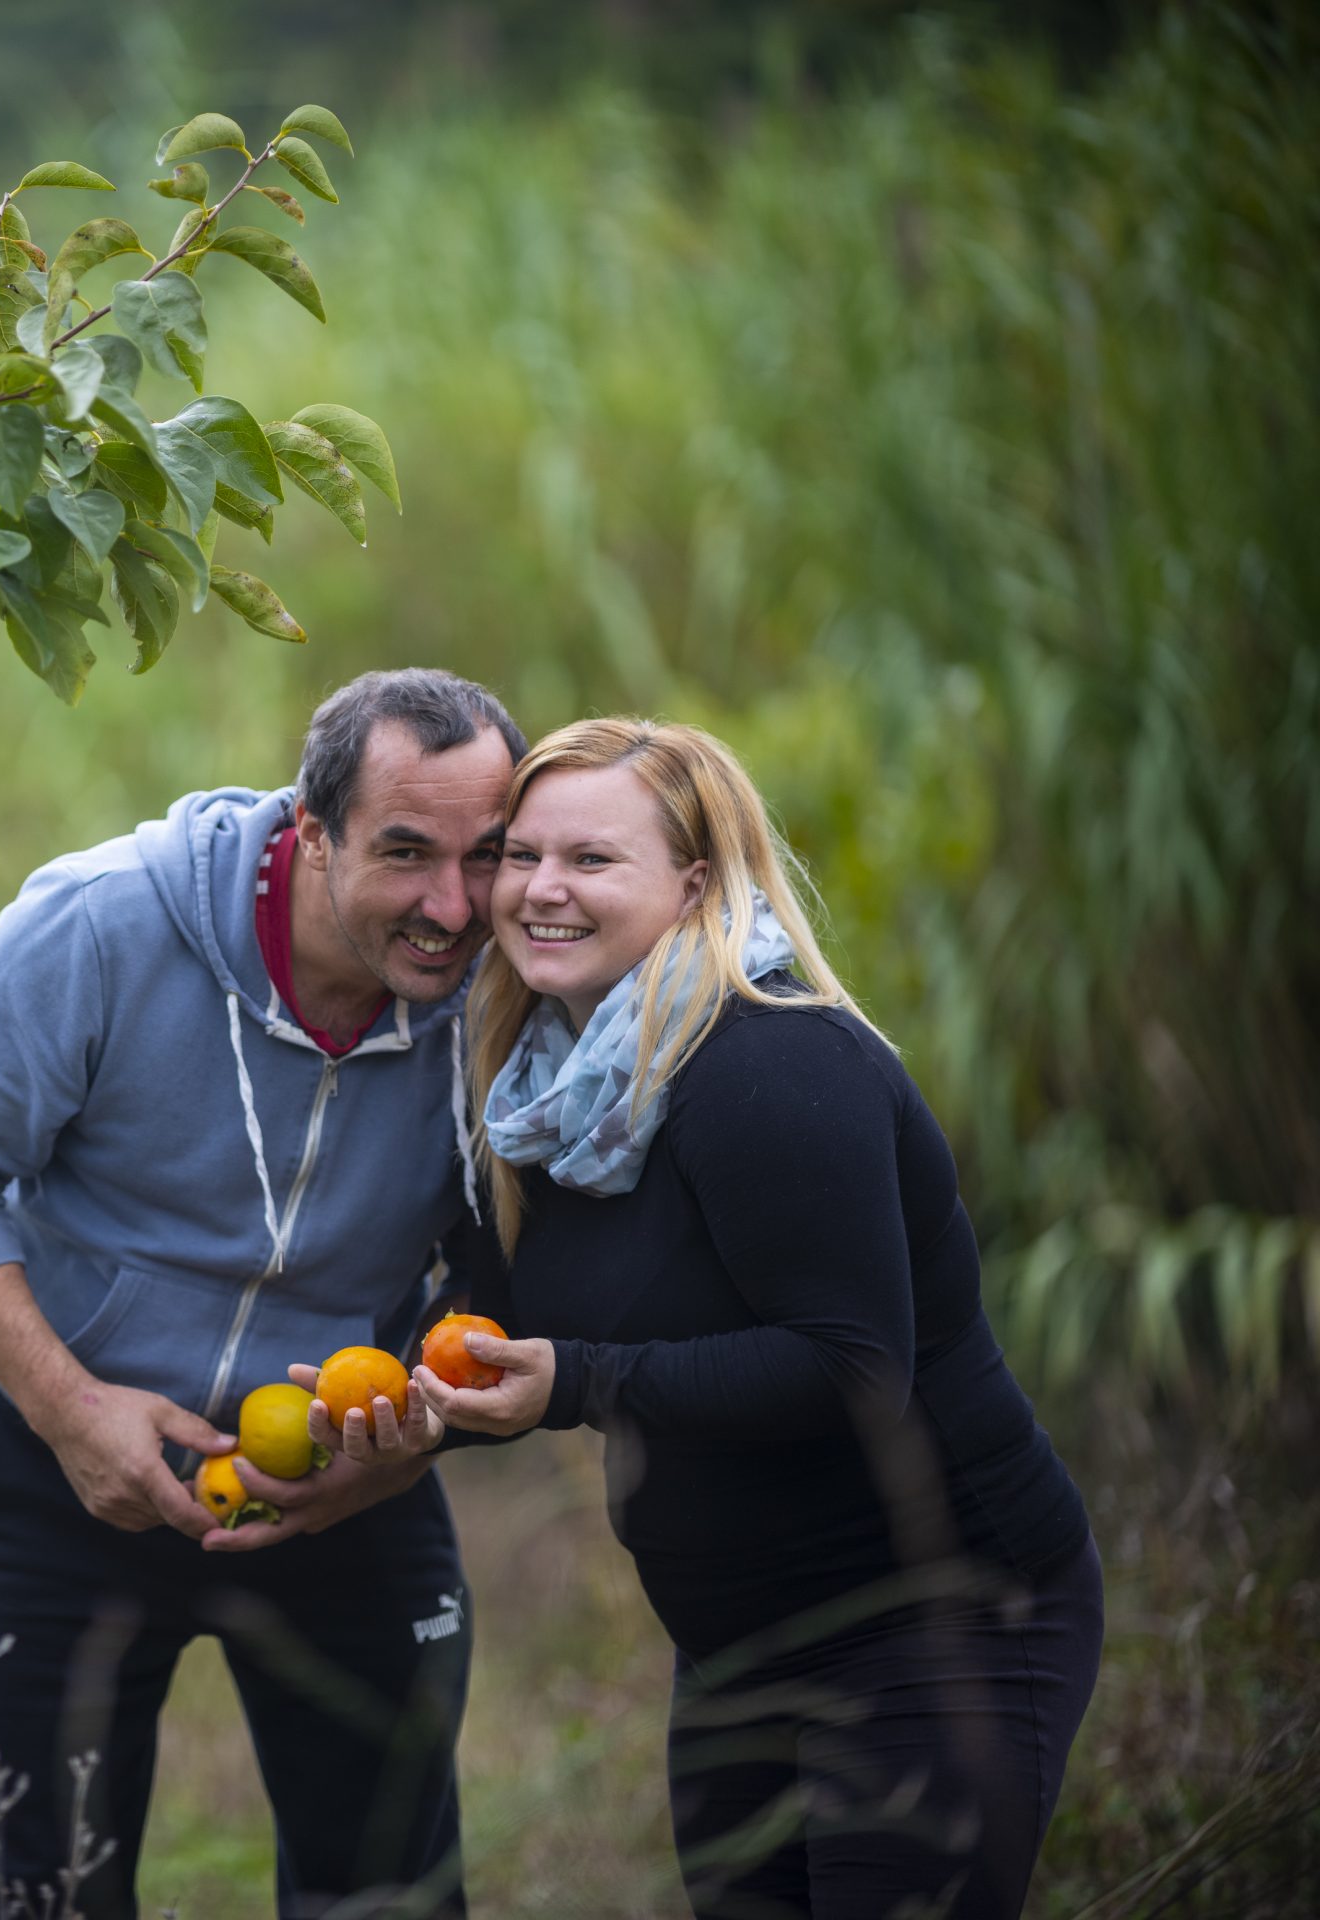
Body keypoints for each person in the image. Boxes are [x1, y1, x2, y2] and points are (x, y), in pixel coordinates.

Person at [404, 717, 1101, 1920]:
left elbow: (848, 1370)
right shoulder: (538, 1092)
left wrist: (574, 1383)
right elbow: (497, 1338)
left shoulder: (767, 1064)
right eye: (520, 856)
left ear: (694, 880)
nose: (541, 890)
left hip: (934, 1626)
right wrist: (373, 1413)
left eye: (590, 860)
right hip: (734, 1654)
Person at [0, 669, 524, 1918]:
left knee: (389, 1895)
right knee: (37, 1894)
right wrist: (67, 1409)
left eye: (483, 856)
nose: (452, 906)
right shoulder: (103, 925)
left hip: (351, 1475)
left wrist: (407, 1441)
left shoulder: (512, 986)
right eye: (403, 853)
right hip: (58, 1475)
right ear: (310, 831)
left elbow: (504, 1264)